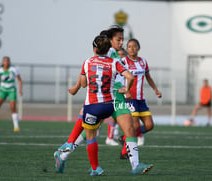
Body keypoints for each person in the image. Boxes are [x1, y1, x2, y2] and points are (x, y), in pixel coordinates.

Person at [54, 35, 153, 176]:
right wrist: (126, 88)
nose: (121, 43)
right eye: (119, 39)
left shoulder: (88, 61)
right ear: (110, 45)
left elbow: (83, 83)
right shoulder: (114, 61)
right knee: (97, 132)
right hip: (110, 101)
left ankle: (118, 167)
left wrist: (79, 85)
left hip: (101, 103)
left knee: (99, 134)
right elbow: (130, 76)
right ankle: (65, 155)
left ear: (95, 48)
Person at [119, 38, 162, 159]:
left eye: (134, 46)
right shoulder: (123, 62)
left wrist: (155, 89)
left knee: (149, 125)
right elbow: (118, 78)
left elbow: (148, 76)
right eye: (129, 47)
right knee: (135, 126)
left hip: (141, 99)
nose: (132, 49)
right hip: (129, 98)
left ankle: (124, 138)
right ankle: (124, 153)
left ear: (138, 48)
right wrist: (124, 90)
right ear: (127, 49)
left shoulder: (143, 61)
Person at [0, 56, 23, 132]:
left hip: (11, 90)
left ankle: (16, 127)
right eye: (5, 61)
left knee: (12, 108)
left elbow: (19, 80)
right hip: (2, 90)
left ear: (9, 62)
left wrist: (20, 90)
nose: (6, 62)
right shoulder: (0, 70)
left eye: (7, 61)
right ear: (2, 62)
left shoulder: (13, 70)